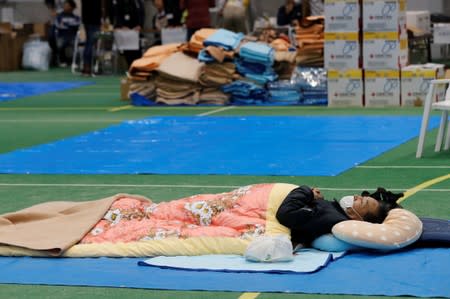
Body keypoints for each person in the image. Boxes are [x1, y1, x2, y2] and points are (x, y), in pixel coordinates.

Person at [276, 185, 403, 247]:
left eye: (362, 202)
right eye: (363, 197)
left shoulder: (329, 217)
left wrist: (306, 191)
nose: (357, 196)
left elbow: (286, 214)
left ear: (358, 218)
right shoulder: (332, 210)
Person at [111, 0, 145, 67]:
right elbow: (116, 14)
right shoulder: (119, 3)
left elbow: (142, 14)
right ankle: (130, 68)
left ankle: (136, 69)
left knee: (137, 53)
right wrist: (121, 25)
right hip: (124, 32)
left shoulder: (138, 2)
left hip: (135, 32)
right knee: (127, 52)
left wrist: (140, 25)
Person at [80, 0, 104, 76]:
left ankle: (86, 67)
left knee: (88, 43)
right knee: (90, 44)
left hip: (87, 20)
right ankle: (88, 67)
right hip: (94, 20)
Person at [54, 0, 81, 66]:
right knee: (61, 44)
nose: (65, 6)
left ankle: (74, 62)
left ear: (72, 7)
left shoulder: (76, 17)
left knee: (75, 44)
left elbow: (77, 24)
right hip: (62, 36)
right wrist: (69, 25)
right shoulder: (59, 16)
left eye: (67, 5)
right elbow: (59, 25)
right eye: (65, 5)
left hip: (73, 36)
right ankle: (62, 61)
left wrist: (66, 24)